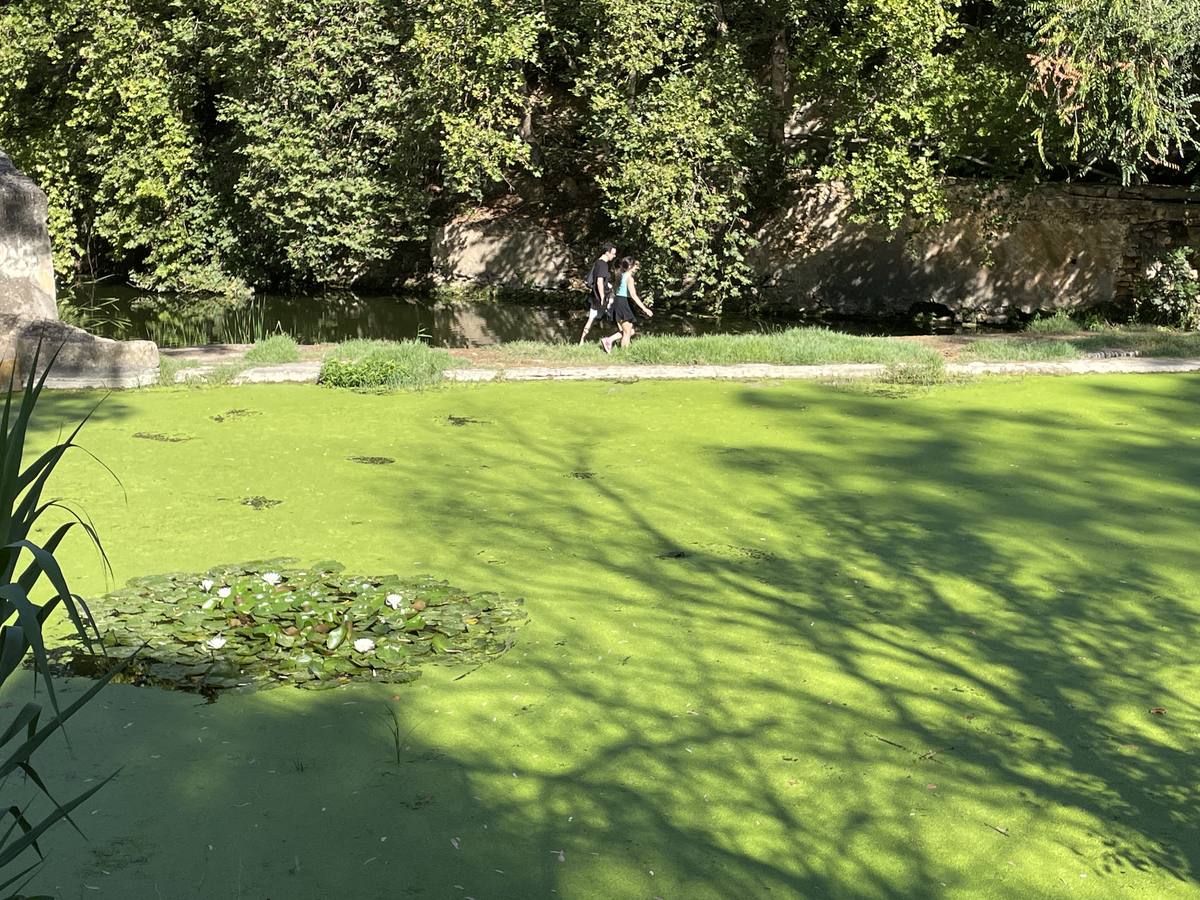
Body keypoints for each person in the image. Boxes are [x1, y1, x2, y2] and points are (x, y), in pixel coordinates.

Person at [600, 256, 653, 353]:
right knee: (627, 332)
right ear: (630, 266)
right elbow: (633, 295)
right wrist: (645, 309)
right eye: (635, 265)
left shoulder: (620, 275)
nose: (636, 268)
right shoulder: (629, 278)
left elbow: (615, 290)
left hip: (619, 301)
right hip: (623, 303)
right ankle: (624, 352)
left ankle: (609, 340)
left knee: (630, 331)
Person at [579, 244, 618, 345]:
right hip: (603, 297)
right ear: (607, 252)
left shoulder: (597, 262)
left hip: (595, 296)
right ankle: (615, 340)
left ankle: (581, 341)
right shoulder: (603, 264)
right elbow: (599, 282)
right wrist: (602, 297)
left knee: (591, 318)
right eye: (613, 254)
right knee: (618, 317)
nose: (614, 256)